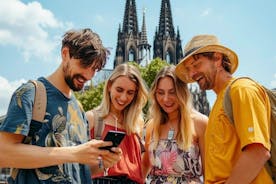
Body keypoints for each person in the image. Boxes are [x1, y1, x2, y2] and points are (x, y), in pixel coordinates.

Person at [0, 28, 122, 184]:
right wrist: (73, 153)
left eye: (95, 69)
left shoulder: (79, 108)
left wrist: (103, 163)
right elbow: (4, 153)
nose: (89, 75)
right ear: (65, 54)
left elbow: (76, 169)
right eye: (85, 64)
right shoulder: (30, 93)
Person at [175, 35, 272, 184]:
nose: (192, 74)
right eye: (188, 69)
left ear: (217, 58)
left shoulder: (241, 89)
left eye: (196, 65)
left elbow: (257, 153)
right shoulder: (218, 103)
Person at [142, 65, 208, 184]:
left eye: (172, 92)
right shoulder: (151, 126)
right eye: (160, 93)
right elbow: (144, 167)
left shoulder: (201, 123)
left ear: (182, 92)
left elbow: (210, 173)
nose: (166, 99)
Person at [86, 63, 148, 184]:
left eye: (130, 92)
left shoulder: (137, 123)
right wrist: (102, 162)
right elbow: (78, 167)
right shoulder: (92, 118)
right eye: (119, 90)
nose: (123, 98)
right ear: (109, 86)